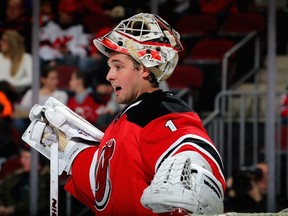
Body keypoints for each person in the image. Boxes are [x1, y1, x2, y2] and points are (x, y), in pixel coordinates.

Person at [23, 13, 226, 215]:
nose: (109, 75)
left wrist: (191, 171)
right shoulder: (125, 119)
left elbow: (192, 150)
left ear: (145, 69)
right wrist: (71, 149)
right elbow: (104, 186)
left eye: (118, 66)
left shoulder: (158, 111)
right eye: (110, 66)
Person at [0, 146, 50, 216]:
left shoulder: (47, 179)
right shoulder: (16, 175)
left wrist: (13, 209)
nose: (21, 160)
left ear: (37, 160)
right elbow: (2, 189)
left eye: (26, 158)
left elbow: (41, 203)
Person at [0, 29, 32, 94]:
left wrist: (13, 84)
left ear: (12, 43)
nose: (1, 43)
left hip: (17, 93)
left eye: (4, 41)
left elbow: (31, 79)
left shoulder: (26, 58)